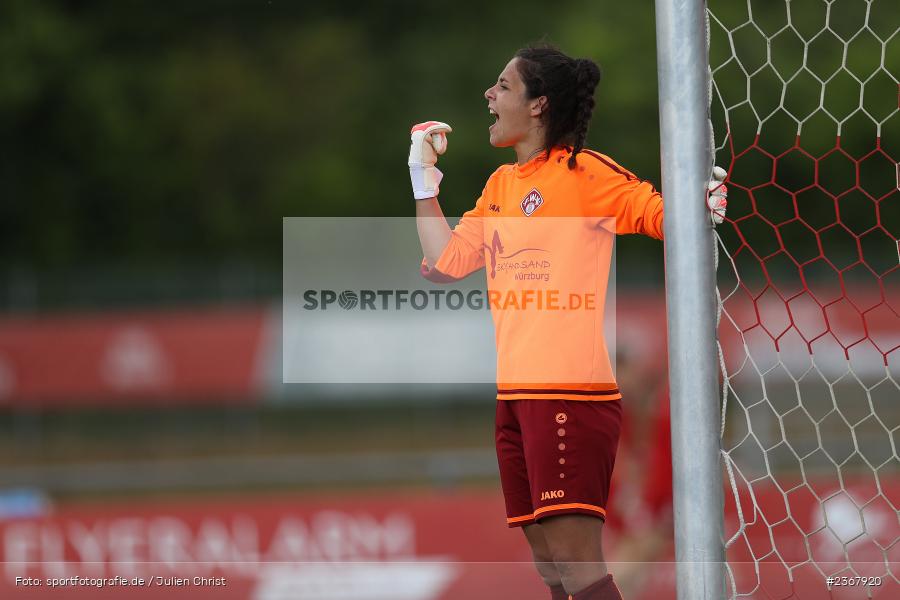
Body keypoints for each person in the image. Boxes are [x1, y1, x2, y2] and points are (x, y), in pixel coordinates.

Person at [407, 45, 727, 600]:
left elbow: (659, 214)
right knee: (552, 566)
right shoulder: (500, 187)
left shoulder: (586, 173)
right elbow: (447, 262)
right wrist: (422, 178)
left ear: (538, 106)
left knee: (578, 565)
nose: (490, 94)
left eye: (503, 86)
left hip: (570, 399)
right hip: (515, 398)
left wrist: (700, 201)